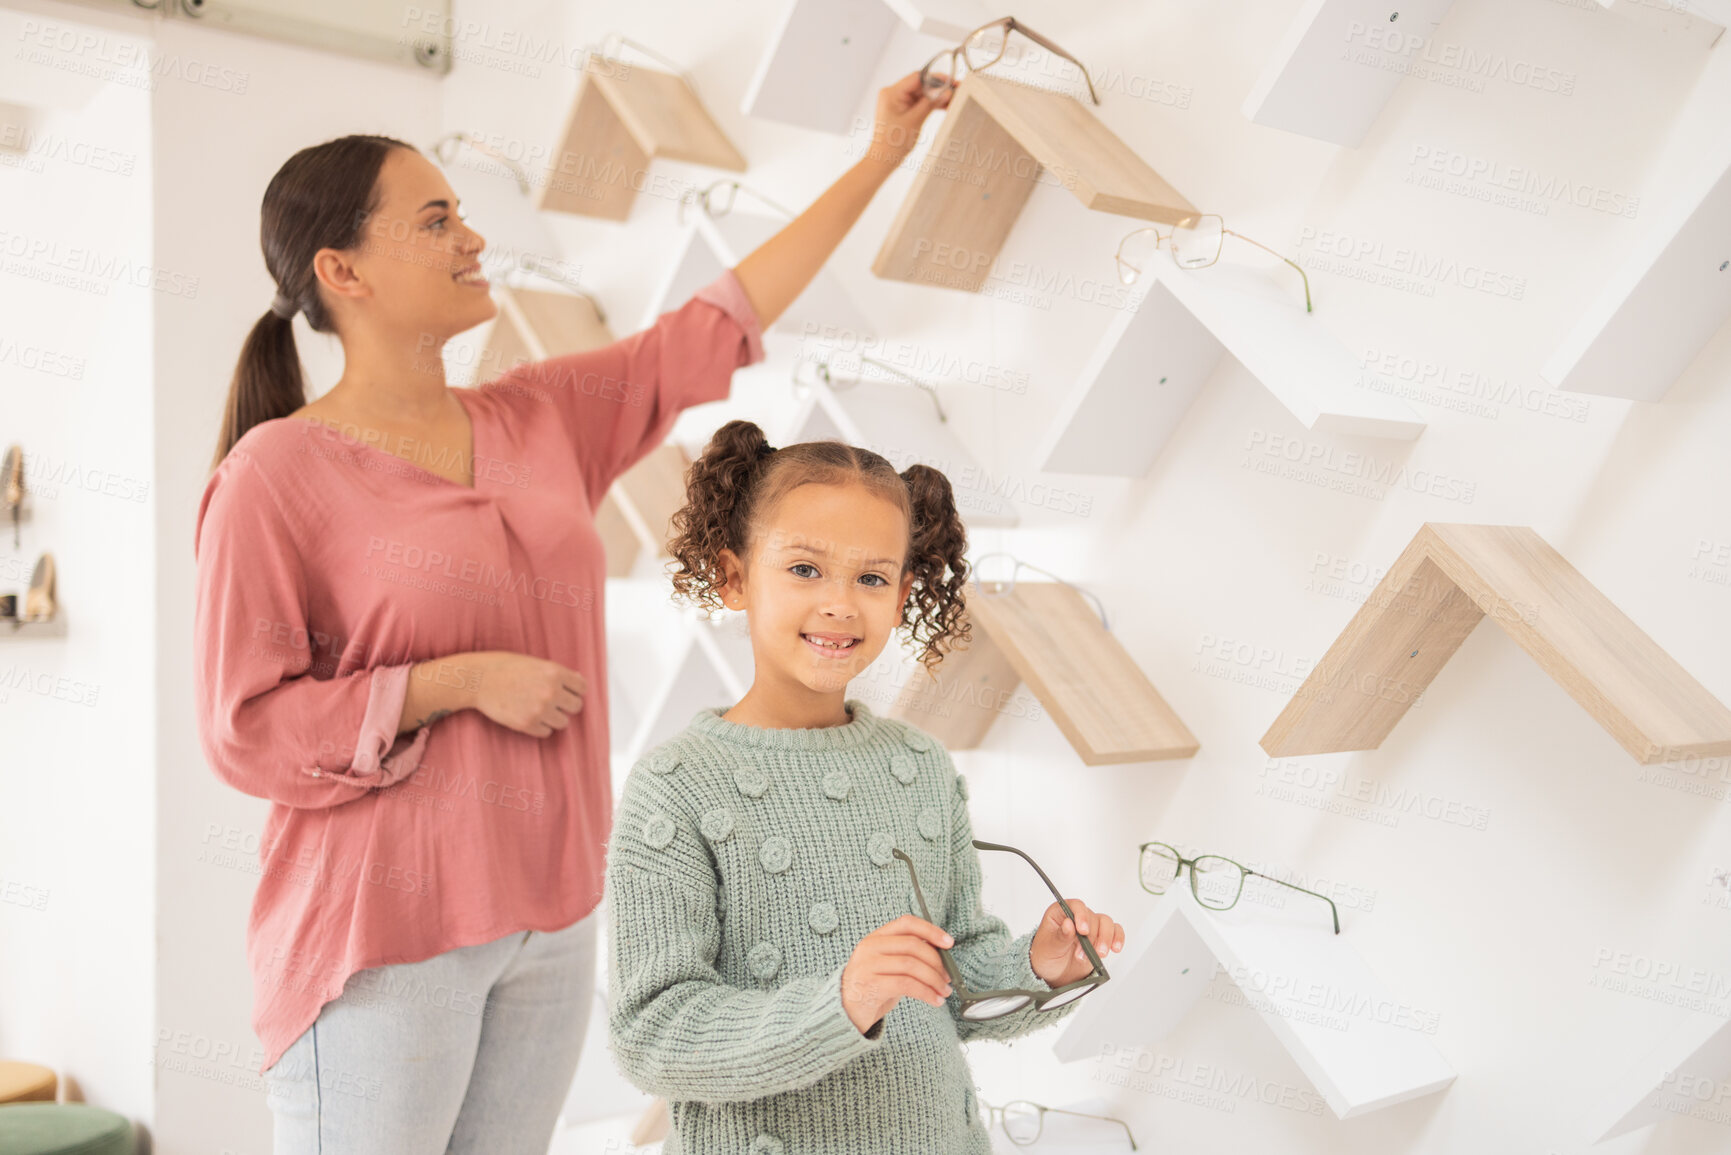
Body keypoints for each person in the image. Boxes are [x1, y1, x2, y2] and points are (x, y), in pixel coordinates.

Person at [192, 72, 952, 1154]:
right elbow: (244, 728)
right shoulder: (275, 475)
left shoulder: (540, 416)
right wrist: (456, 682)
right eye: (437, 218)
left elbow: (713, 326)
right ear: (342, 270)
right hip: (381, 931)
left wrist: (879, 156)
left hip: (549, 919)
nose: (473, 238)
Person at [604, 419, 1129, 1153]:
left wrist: (1035, 964)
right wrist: (842, 1002)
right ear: (733, 576)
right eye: (804, 569)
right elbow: (652, 1034)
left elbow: (952, 975)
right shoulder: (676, 787)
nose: (841, 603)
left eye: (872, 577)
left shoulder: (918, 762)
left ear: (903, 592)